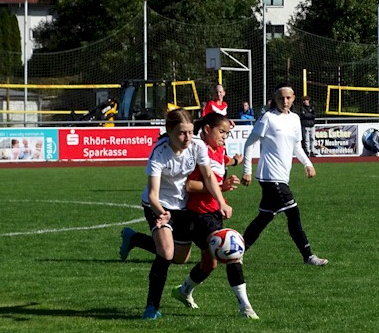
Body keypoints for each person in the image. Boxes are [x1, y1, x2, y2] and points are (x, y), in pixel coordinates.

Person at [121, 109, 232, 320]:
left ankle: (133, 238)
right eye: (182, 133)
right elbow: (153, 194)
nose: (187, 138)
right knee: (166, 253)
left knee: (180, 258)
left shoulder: (198, 146)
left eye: (190, 132)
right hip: (158, 205)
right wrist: (162, 214)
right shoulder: (159, 153)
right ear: (169, 131)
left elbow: (208, 176)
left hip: (182, 207)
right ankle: (151, 307)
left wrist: (221, 202)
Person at [172, 112, 258, 319]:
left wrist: (234, 162)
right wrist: (222, 187)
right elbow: (190, 185)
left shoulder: (218, 149)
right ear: (208, 130)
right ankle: (245, 307)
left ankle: (183, 291)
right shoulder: (196, 151)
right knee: (232, 251)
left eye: (227, 134)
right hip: (198, 215)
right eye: (221, 132)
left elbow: (221, 162)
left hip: (214, 214)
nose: (224, 137)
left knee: (209, 264)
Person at [241, 83, 328, 266]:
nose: (285, 101)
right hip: (270, 176)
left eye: (288, 98)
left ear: (294, 98)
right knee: (293, 214)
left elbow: (297, 145)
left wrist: (307, 163)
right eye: (281, 98)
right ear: (275, 99)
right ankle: (308, 256)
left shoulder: (295, 119)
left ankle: (237, 251)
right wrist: (247, 171)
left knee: (264, 217)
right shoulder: (268, 118)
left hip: (282, 176)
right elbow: (250, 143)